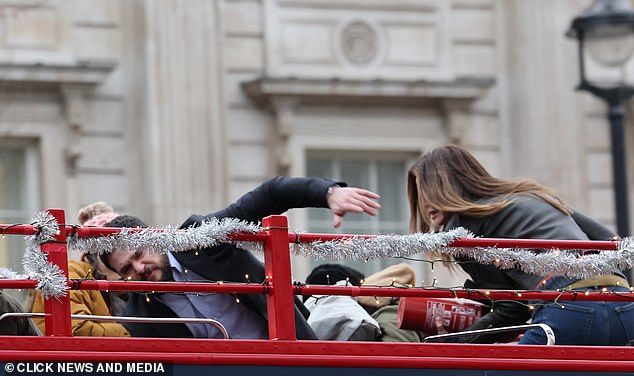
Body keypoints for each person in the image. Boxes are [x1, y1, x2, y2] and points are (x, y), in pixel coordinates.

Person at [100, 176, 381, 339]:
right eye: (126, 269)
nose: (139, 268)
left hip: (289, 355)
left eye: (139, 253)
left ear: (155, 237)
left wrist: (329, 193)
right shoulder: (139, 317)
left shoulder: (198, 236)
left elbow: (269, 194)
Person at [407, 144, 634, 345]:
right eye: (420, 193)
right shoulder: (533, 196)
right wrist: (623, 294)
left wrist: (455, 341)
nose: (425, 202)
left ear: (452, 185)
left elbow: (512, 308)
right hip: (623, 308)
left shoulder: (461, 229)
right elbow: (614, 243)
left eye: (428, 188)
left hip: (566, 309)